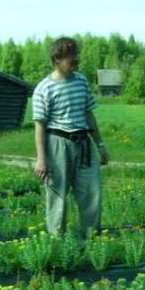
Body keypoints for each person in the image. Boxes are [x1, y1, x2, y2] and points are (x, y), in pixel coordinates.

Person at [32, 37, 109, 238]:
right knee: (58, 195)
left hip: (83, 144)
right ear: (57, 58)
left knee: (92, 192)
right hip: (58, 145)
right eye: (71, 56)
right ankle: (57, 241)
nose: (76, 59)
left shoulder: (81, 81)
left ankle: (90, 239)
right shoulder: (44, 88)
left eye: (77, 55)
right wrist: (41, 159)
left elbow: (88, 115)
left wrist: (100, 145)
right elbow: (40, 125)